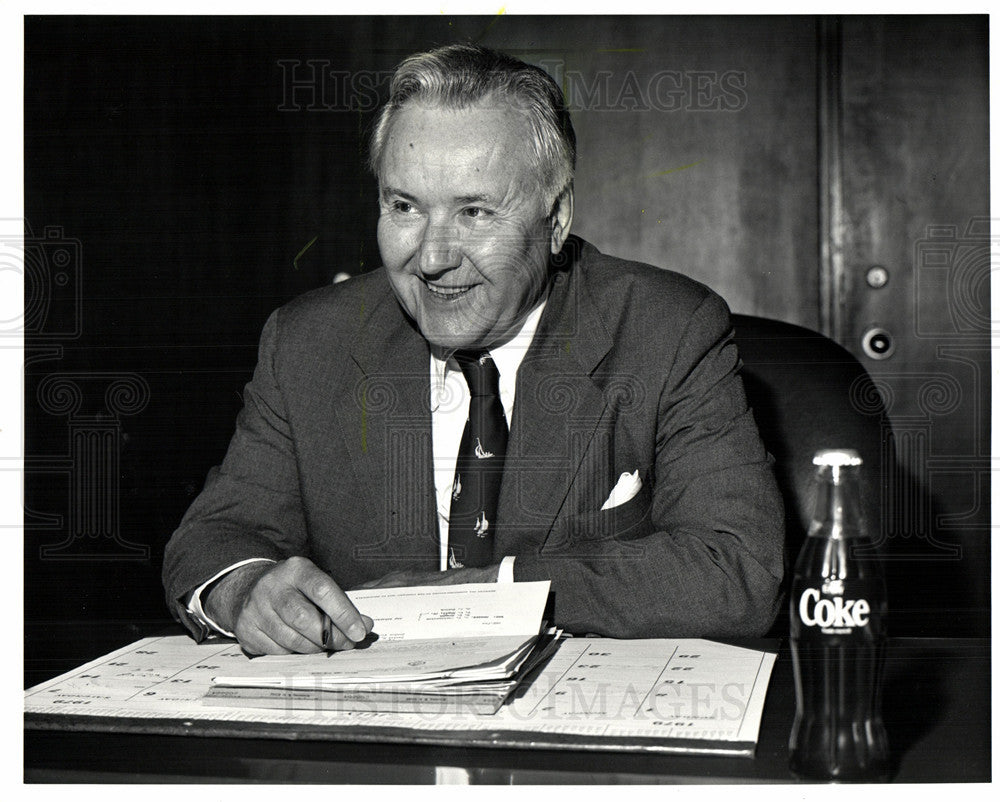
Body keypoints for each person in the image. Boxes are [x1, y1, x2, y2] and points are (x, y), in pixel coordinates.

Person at [162, 44, 784, 655]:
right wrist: (246, 591)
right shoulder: (307, 343)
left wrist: (490, 591)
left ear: (557, 216)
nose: (431, 259)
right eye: (404, 206)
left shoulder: (666, 331)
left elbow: (736, 566)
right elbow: (215, 538)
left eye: (475, 213)